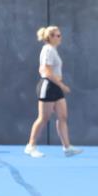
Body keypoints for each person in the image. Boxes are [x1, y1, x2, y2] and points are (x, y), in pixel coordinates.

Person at [25, 26, 83, 158]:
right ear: (50, 37)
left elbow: (44, 68)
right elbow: (47, 71)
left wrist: (59, 85)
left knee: (62, 116)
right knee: (43, 118)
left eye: (60, 35)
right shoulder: (48, 50)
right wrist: (61, 85)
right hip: (49, 86)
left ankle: (67, 147)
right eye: (57, 35)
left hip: (55, 87)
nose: (60, 37)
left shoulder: (53, 50)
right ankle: (31, 146)